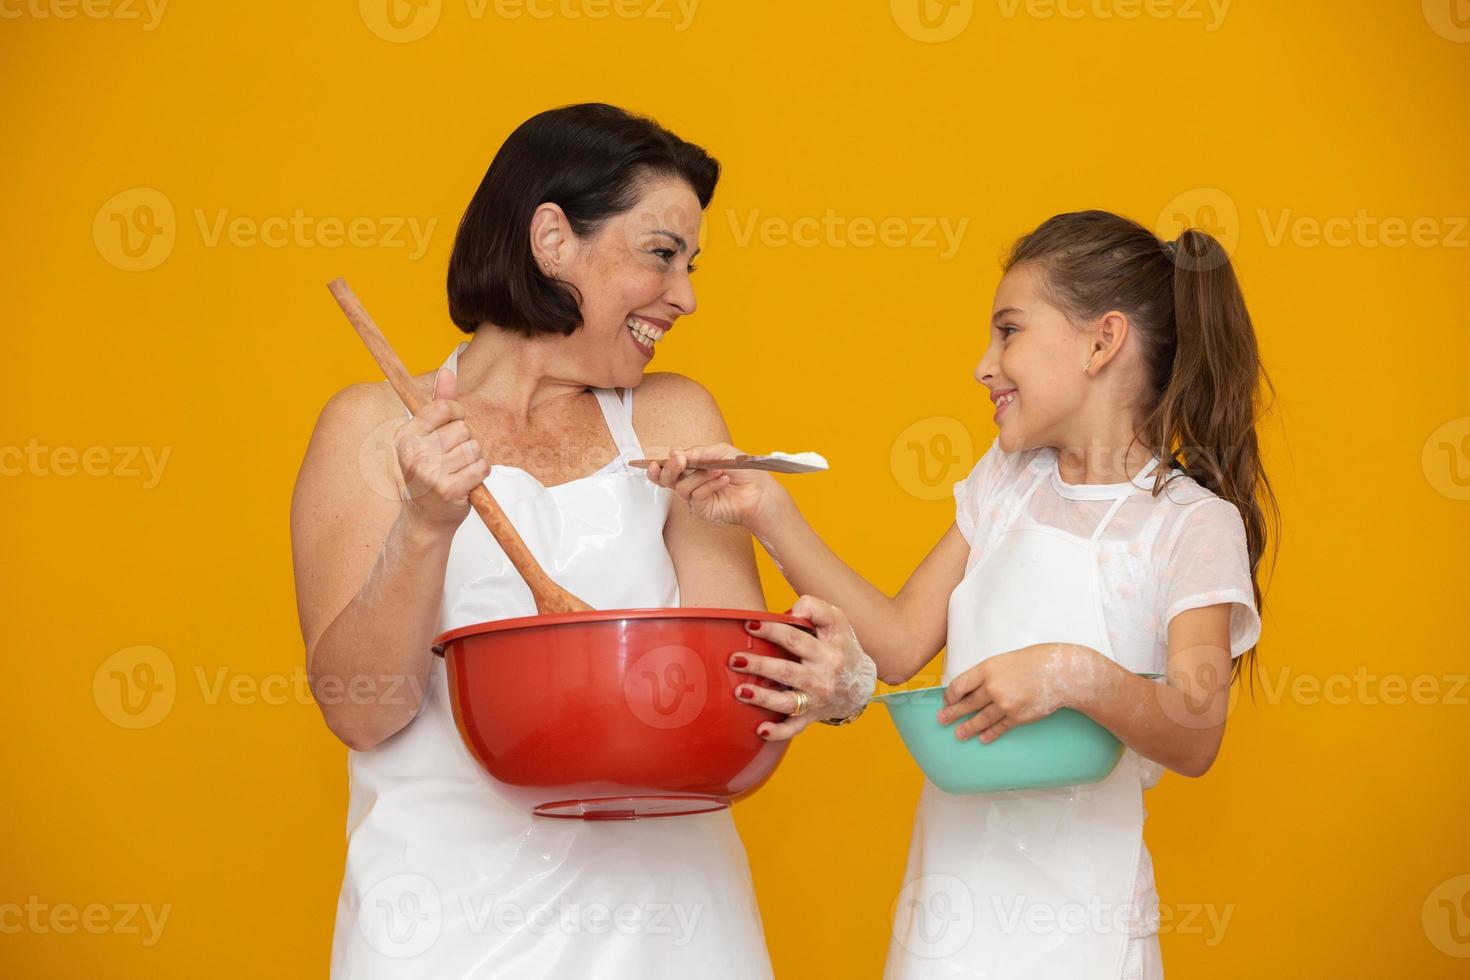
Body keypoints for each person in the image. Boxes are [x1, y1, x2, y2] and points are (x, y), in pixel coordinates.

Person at [289, 103, 873, 978]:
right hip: (443, 931)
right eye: (660, 253)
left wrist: (825, 683)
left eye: (690, 263)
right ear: (552, 238)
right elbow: (362, 712)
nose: (686, 295)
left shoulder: (674, 417)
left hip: (672, 932)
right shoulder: (375, 428)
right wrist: (421, 526)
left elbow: (732, 704)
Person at [649, 209, 1277, 978]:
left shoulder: (1189, 524)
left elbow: (1196, 729)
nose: (983, 365)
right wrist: (766, 510)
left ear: (1102, 341)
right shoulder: (1006, 483)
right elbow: (896, 641)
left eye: (1008, 331)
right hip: (949, 902)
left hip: (1083, 925)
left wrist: (1069, 673)